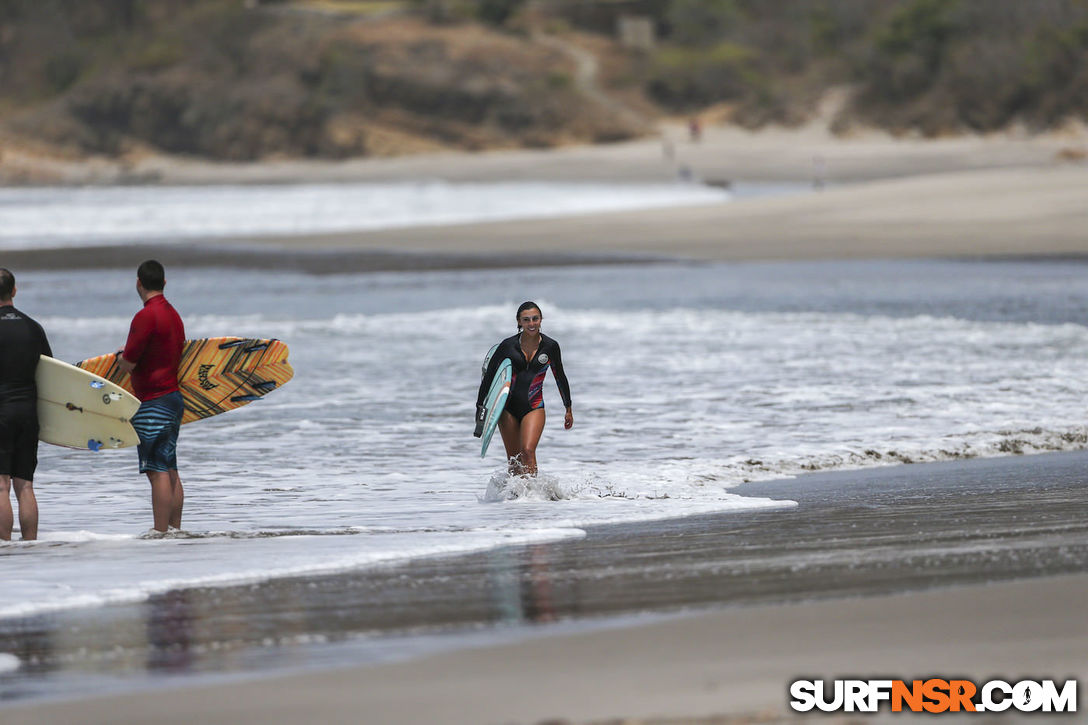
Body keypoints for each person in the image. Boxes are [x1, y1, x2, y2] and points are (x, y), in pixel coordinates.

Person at [116, 260, 185, 537]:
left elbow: (129, 363)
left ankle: (159, 533)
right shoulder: (174, 315)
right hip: (173, 398)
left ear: (138, 283)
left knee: (156, 471)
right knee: (169, 467)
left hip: (152, 402)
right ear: (165, 283)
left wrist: (120, 356)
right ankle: (175, 530)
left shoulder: (145, 316)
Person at [476, 301, 572, 476]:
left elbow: (560, 377)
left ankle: (534, 495)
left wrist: (568, 407)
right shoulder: (507, 346)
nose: (531, 323)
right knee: (514, 460)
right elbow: (489, 377)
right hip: (507, 409)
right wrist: (480, 408)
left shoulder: (550, 346)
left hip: (534, 405)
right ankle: (518, 500)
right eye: (526, 320)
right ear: (519, 322)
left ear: (541, 320)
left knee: (528, 451)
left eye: (535, 319)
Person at [0, 268, 51, 541]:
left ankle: (4, 547)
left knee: (0, 485)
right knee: (25, 485)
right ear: (14, 291)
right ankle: (31, 545)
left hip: (1, 413)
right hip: (29, 412)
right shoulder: (33, 327)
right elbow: (52, 375)